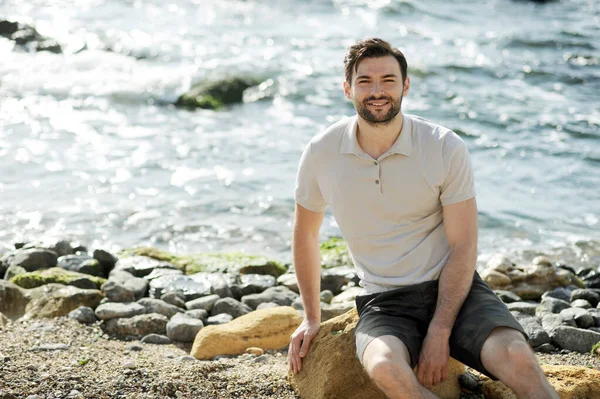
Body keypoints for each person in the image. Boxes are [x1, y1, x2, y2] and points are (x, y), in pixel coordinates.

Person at [288, 38, 558, 399]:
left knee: (518, 358)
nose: (377, 91)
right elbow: (306, 235)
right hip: (385, 300)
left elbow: (464, 244)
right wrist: (311, 317)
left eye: (388, 79)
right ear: (347, 88)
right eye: (365, 81)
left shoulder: (443, 147)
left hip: (455, 290)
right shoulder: (322, 152)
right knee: (385, 367)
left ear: (406, 85)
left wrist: (440, 331)